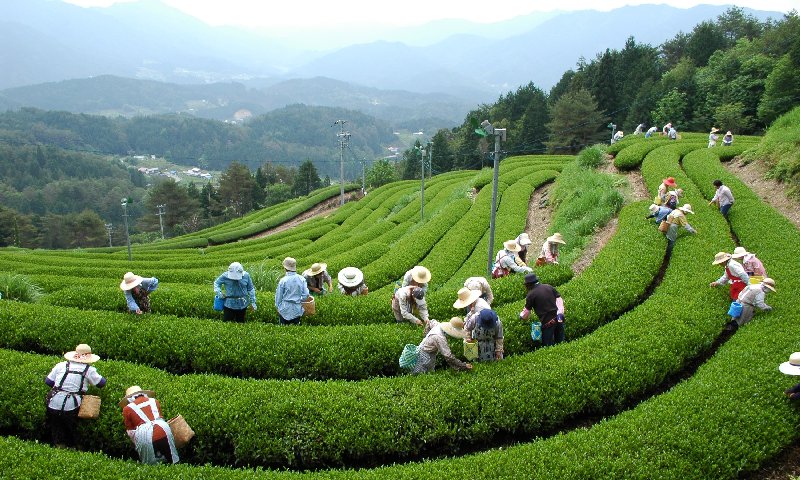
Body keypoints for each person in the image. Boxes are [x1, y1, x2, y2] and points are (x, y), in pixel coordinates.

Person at [44, 344, 107, 448]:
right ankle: (73, 448)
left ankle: (57, 447)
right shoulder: (89, 370)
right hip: (71, 405)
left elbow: (48, 381)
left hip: (53, 402)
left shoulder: (61, 365)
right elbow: (101, 383)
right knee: (71, 433)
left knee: (56, 430)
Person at [120, 386, 179, 465]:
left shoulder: (127, 409)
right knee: (172, 460)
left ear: (129, 398)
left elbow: (130, 432)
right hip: (163, 429)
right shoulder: (154, 401)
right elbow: (160, 417)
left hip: (144, 435)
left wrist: (136, 444)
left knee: (150, 466)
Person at [519, 273, 565, 347]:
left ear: (528, 285)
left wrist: (521, 316)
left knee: (548, 346)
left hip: (548, 323)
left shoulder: (530, 295)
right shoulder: (548, 286)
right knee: (561, 343)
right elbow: (559, 300)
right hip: (559, 319)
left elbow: (526, 313)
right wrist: (560, 313)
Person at [274, 257, 309, 325]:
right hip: (297, 309)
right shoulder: (302, 279)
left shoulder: (283, 280)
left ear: (285, 268)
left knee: (283, 331)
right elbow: (306, 294)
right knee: (296, 331)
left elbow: (278, 297)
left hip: (284, 309)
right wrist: (299, 300)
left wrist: (278, 307)